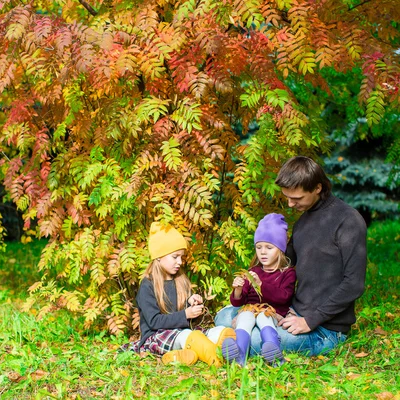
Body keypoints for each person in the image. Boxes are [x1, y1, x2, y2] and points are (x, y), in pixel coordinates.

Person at [215, 156, 367, 357]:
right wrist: (254, 309)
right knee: (225, 316)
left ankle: (230, 340)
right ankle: (235, 335)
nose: (290, 204)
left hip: (324, 329)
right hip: (291, 312)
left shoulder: (348, 221)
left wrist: (310, 320)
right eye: (287, 197)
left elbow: (354, 284)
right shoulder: (303, 223)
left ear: (317, 188)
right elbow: (282, 269)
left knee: (254, 340)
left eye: (296, 199)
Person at [130, 221, 236, 366]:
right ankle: (216, 359)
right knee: (188, 336)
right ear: (159, 256)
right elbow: (154, 322)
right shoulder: (147, 285)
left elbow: (188, 319)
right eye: (175, 257)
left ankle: (178, 356)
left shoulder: (180, 280)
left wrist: (193, 303)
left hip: (182, 333)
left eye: (181, 257)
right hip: (156, 337)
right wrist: (185, 314)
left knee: (217, 331)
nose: (179, 262)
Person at [220, 213, 296, 366]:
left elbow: (284, 297)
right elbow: (238, 302)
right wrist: (238, 290)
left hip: (271, 312)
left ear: (280, 249)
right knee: (244, 318)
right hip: (250, 309)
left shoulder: (287, 273)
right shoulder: (253, 270)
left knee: (263, 317)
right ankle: (239, 356)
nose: (262, 252)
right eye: (259, 247)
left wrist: (261, 285)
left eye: (269, 247)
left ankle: (273, 351)